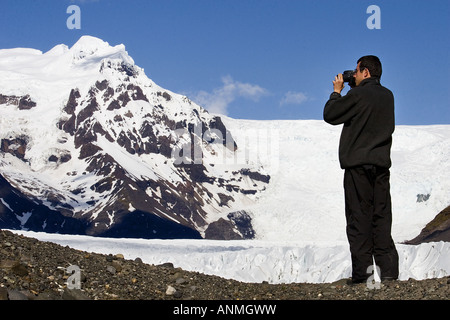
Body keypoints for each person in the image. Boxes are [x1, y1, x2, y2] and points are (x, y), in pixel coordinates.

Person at [323, 55, 399, 284]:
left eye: (356, 72)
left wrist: (337, 91)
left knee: (359, 221)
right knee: (381, 219)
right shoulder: (388, 96)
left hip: (358, 168)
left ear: (365, 72)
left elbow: (331, 115)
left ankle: (363, 278)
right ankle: (389, 275)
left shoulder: (356, 94)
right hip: (381, 168)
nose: (352, 76)